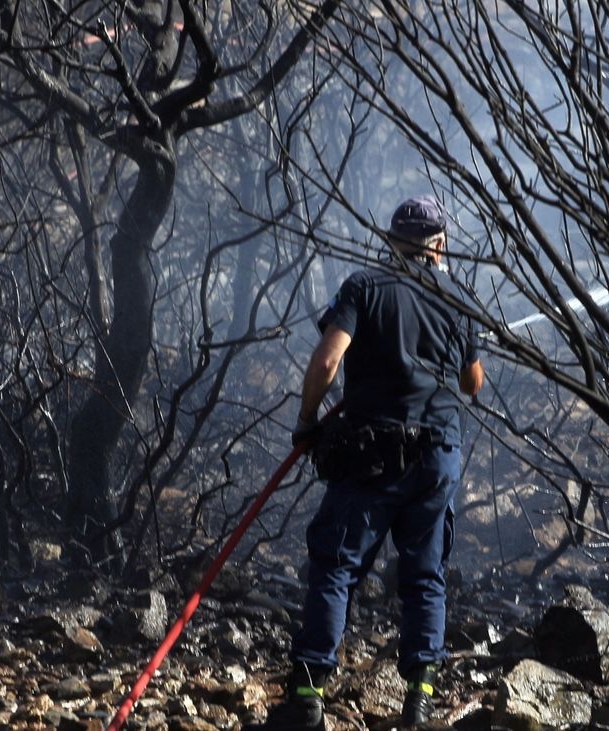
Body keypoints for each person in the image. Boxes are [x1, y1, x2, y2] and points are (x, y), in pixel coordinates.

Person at [252, 195, 485, 730]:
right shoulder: (458, 298)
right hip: (437, 459)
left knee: (335, 566)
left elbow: (329, 358)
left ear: (389, 240)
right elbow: (473, 384)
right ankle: (419, 700)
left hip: (372, 457)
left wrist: (308, 422)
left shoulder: (364, 287)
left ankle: (309, 697)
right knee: (426, 576)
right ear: (441, 246)